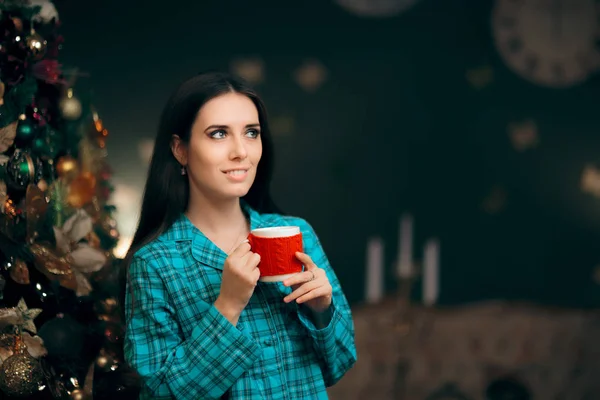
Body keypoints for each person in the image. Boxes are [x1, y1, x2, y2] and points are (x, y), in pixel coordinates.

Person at [121, 71, 357, 399]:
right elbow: (163, 392)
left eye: (251, 133)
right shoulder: (155, 263)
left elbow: (341, 363)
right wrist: (227, 305)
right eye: (218, 134)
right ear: (180, 150)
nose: (240, 152)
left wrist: (321, 311)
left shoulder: (298, 234)